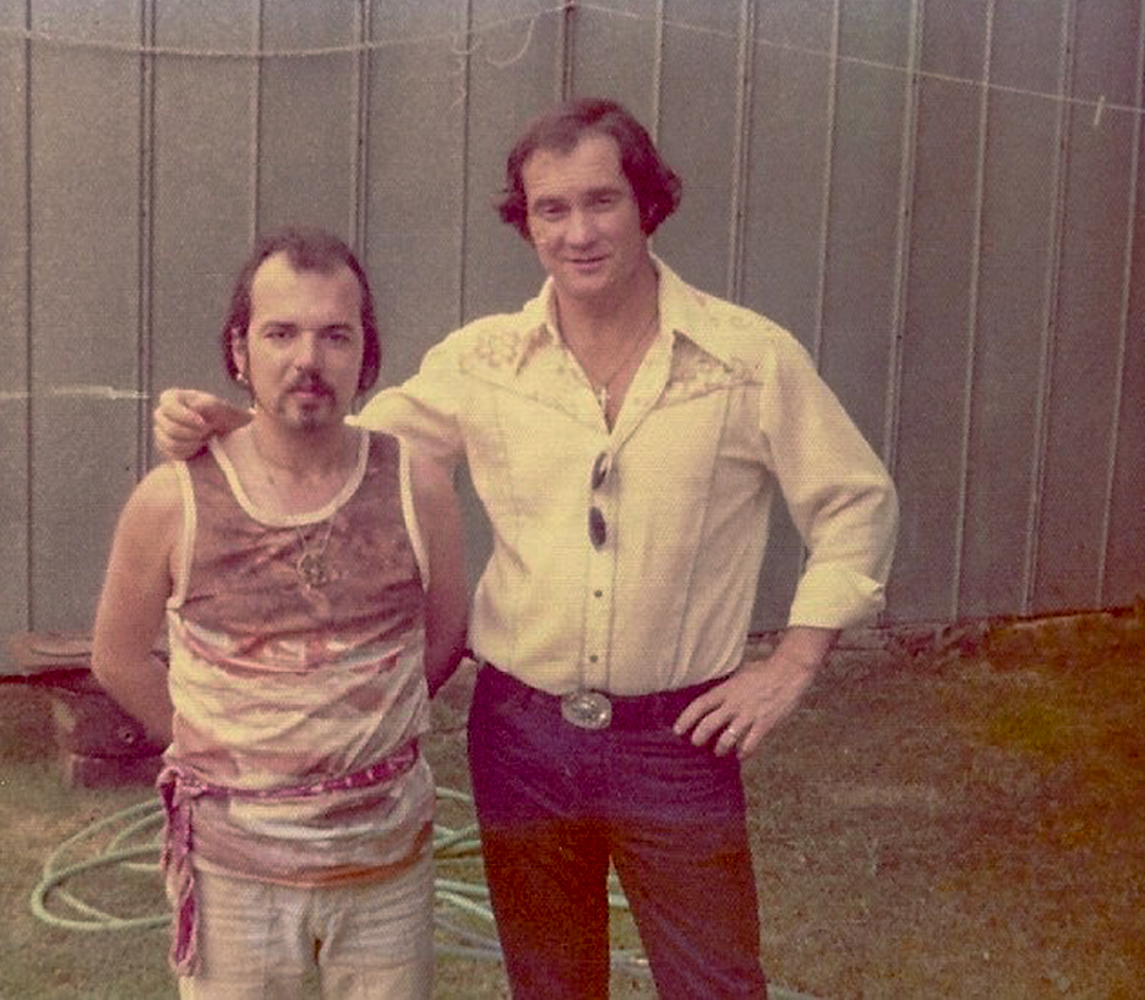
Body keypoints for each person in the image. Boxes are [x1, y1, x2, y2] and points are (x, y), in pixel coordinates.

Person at [154, 98, 899, 999]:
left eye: (601, 201)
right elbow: (351, 450)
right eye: (551, 209)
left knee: (716, 986)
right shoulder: (485, 361)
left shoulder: (747, 360)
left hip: (678, 744)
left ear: (647, 204)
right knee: (550, 987)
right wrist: (229, 424)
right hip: (522, 740)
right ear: (527, 223)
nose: (578, 233)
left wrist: (792, 663)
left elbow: (855, 503)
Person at [92, 227, 468, 1000]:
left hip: (385, 876)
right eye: (280, 333)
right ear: (239, 351)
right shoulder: (173, 499)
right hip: (235, 883)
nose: (308, 359)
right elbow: (118, 658)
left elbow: (445, 637)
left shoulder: (418, 488)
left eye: (335, 335)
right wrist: (226, 759)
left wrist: (358, 738)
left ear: (365, 354)